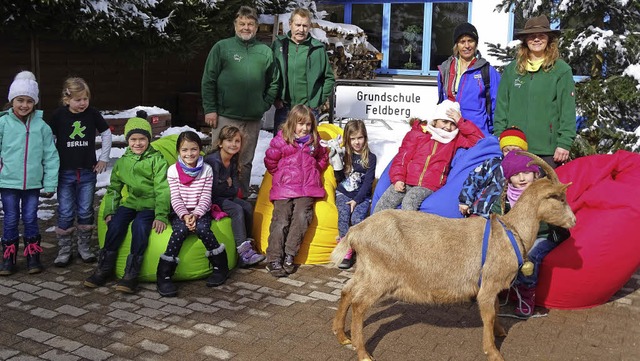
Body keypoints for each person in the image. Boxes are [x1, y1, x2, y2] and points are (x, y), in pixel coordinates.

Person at [84, 111, 170, 294]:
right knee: (115, 225)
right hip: (130, 203)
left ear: (148, 140)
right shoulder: (123, 162)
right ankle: (104, 268)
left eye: (142, 139)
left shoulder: (157, 160)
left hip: (150, 205)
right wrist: (109, 211)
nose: (138, 143)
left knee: (139, 227)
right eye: (133, 139)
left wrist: (161, 214)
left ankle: (131, 274)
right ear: (127, 141)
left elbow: (163, 189)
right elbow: (114, 189)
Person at [201, 6, 279, 198]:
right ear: (235, 25)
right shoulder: (222, 47)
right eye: (242, 23)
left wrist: (263, 104)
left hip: (252, 119)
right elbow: (208, 79)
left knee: (244, 162)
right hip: (225, 117)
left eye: (250, 24)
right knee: (217, 159)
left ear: (256, 27)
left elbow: (274, 81)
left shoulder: (265, 52)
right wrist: (210, 109)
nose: (246, 27)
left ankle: (241, 200)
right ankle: (212, 201)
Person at [491, 151, 570, 318]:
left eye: (526, 173)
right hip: (514, 237)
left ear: (535, 174)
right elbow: (495, 216)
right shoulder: (505, 198)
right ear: (508, 179)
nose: (521, 178)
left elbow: (556, 214)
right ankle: (493, 288)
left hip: (543, 235)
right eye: (516, 175)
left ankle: (526, 294)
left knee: (531, 256)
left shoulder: (544, 194)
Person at [493, 15, 576, 168]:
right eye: (532, 36)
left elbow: (567, 111)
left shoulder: (561, 70)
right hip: (515, 145)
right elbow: (502, 106)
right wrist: (500, 135)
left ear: (549, 39)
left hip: (547, 151)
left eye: (541, 35)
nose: (536, 39)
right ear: (525, 40)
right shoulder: (513, 70)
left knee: (544, 191)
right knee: (516, 191)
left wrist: (564, 143)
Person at [373, 100, 484, 213]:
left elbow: (478, 139)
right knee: (384, 203)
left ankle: (409, 230)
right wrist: (398, 178)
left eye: (453, 124)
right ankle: (374, 229)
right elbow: (402, 157)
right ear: (435, 121)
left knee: (409, 202)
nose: (448, 127)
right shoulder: (419, 134)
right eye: (444, 121)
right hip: (407, 180)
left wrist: (461, 121)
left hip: (429, 185)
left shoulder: (454, 139)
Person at [48, 77, 112, 267]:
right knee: (66, 211)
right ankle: (64, 250)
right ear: (67, 99)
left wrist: (103, 158)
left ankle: (84, 247)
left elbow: (106, 133)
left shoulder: (92, 114)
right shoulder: (59, 116)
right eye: (78, 100)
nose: (82, 103)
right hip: (64, 173)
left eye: (85, 99)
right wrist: (51, 163)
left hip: (87, 172)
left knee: (85, 210)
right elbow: (49, 139)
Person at [0, 71, 59, 275]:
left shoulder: (41, 127)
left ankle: (33, 256)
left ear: (35, 103)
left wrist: (50, 183)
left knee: (30, 218)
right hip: (8, 183)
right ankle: (8, 258)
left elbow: (51, 156)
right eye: (20, 100)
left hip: (32, 184)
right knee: (10, 218)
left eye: (29, 101)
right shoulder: (3, 124)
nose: (24, 105)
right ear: (12, 100)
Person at [156, 131, 228, 297]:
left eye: (194, 149)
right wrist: (184, 215)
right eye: (185, 150)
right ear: (179, 152)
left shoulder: (207, 170)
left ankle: (220, 267)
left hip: (200, 211)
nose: (189, 154)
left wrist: (195, 215)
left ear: (200, 150)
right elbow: (175, 197)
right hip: (180, 212)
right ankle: (164, 275)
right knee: (180, 231)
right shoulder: (173, 171)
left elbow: (205, 197)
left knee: (203, 230)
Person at [263, 105, 328, 277]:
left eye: (308, 124)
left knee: (302, 217)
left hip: (306, 189)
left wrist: (315, 169)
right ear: (292, 123)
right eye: (301, 124)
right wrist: (282, 175)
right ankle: (274, 258)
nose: (304, 128)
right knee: (281, 220)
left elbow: (323, 157)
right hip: (284, 188)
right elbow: (270, 160)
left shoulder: (314, 141)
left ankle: (290, 254)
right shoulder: (281, 140)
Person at [204, 125, 265, 268]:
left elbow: (234, 188)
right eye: (229, 140)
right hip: (210, 198)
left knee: (247, 206)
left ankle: (249, 244)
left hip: (223, 196)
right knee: (236, 209)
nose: (233, 144)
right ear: (220, 143)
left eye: (237, 141)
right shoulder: (214, 161)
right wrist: (227, 183)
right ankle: (243, 254)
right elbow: (213, 190)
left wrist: (225, 184)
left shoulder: (232, 159)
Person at [271, 7, 335, 134]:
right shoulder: (279, 45)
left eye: (305, 26)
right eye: (298, 25)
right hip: (284, 108)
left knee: (307, 149)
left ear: (310, 26)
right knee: (280, 149)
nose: (301, 29)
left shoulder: (317, 48)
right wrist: (275, 98)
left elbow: (328, 77)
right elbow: (270, 74)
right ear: (290, 24)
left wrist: (318, 100)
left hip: (309, 109)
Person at [437, 22, 501, 137]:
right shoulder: (446, 69)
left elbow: (497, 105)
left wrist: (495, 133)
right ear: (456, 45)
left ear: (476, 44)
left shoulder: (486, 71)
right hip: (450, 131)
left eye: (470, 41)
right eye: (462, 42)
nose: (467, 46)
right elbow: (442, 101)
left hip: (476, 132)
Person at [458, 126, 529, 218]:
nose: (511, 154)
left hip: (510, 217)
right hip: (483, 212)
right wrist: (465, 201)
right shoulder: (494, 164)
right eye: (506, 150)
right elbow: (474, 179)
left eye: (515, 150)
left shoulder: (529, 168)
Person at [334, 120, 376, 270]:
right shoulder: (345, 155)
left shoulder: (371, 158)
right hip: (344, 193)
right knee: (344, 216)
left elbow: (367, 183)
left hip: (361, 195)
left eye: (360, 137)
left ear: (365, 137)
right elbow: (338, 178)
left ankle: (358, 247)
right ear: (347, 139)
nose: (357, 142)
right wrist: (336, 163)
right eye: (352, 139)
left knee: (357, 218)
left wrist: (357, 200)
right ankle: (346, 249)